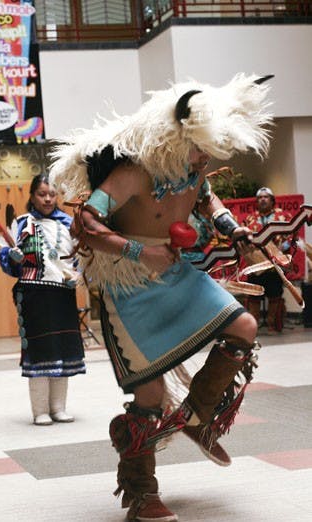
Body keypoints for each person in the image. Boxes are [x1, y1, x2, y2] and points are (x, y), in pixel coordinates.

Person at [49, 74, 273, 521]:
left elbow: (207, 200)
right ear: (176, 137)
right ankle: (141, 494)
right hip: (126, 279)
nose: (204, 157)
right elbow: (86, 223)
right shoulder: (134, 170)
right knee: (149, 395)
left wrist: (235, 228)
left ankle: (196, 417)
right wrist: (141, 251)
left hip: (173, 269)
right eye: (200, 148)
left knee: (244, 326)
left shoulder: (196, 166)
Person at [0, 174, 86, 426]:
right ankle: (40, 410)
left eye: (52, 193)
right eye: (41, 193)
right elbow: (8, 263)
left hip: (62, 294)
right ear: (32, 196)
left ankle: (59, 407)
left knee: (63, 349)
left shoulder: (69, 224)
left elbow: (79, 259)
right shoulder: (21, 224)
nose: (48, 198)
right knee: (39, 352)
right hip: (34, 295)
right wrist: (12, 259)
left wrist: (76, 276)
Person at [244, 187, 292, 333]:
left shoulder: (283, 217)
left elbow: (292, 237)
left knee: (275, 294)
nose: (263, 200)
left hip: (274, 265)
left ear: (272, 200)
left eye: (266, 197)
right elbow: (243, 240)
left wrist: (282, 248)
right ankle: (253, 326)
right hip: (256, 266)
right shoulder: (249, 219)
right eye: (260, 198)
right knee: (254, 295)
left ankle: (272, 324)